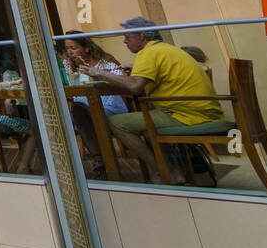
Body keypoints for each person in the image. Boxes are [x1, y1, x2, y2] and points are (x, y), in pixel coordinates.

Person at [84, 18, 225, 185]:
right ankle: (166, 172)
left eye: (127, 37)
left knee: (115, 123)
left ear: (141, 36)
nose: (124, 41)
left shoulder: (148, 53)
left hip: (187, 115)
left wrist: (101, 74)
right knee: (147, 125)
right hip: (202, 110)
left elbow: (135, 86)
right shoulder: (165, 49)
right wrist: (134, 69)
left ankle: (164, 171)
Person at [62, 31, 129, 178]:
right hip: (83, 109)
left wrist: (97, 73)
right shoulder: (69, 65)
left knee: (79, 114)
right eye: (67, 48)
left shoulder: (105, 62)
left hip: (108, 106)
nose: (70, 52)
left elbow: (122, 82)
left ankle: (99, 160)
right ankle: (100, 160)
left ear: (86, 48)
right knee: (77, 112)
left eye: (73, 47)